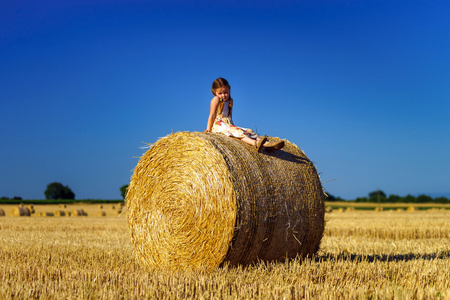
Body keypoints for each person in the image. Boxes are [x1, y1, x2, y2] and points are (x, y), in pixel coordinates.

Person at [205, 78, 284, 152]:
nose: (223, 95)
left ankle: (266, 145)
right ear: (214, 92)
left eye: (225, 92)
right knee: (238, 132)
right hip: (219, 126)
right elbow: (211, 115)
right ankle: (255, 144)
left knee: (249, 131)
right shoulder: (216, 99)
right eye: (220, 93)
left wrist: (233, 125)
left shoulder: (230, 101)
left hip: (228, 124)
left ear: (229, 90)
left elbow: (229, 117)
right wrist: (208, 130)